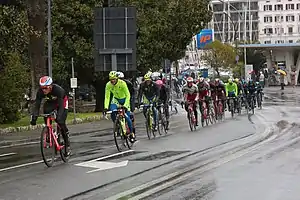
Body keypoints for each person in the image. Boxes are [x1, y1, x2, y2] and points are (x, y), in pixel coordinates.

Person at [30, 76, 70, 156]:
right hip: (51, 102)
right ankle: (49, 131)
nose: (44, 90)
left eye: (45, 88)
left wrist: (59, 117)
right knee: (46, 112)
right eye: (42, 88)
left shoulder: (59, 90)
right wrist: (34, 117)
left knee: (60, 121)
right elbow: (37, 105)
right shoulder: (40, 92)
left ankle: (66, 142)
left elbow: (61, 107)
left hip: (62, 102)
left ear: (51, 86)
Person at [104, 71, 135, 142]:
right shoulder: (108, 85)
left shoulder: (122, 83)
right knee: (113, 112)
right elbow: (107, 97)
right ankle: (118, 125)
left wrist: (125, 105)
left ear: (117, 78)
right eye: (111, 79)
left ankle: (131, 133)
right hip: (116, 100)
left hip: (124, 100)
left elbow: (128, 95)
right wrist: (105, 107)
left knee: (127, 118)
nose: (112, 81)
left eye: (114, 79)